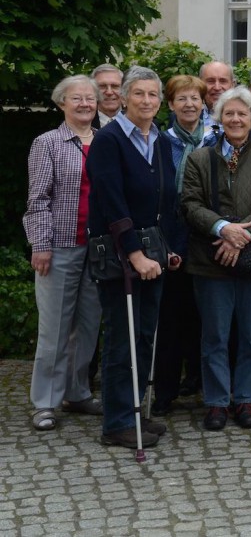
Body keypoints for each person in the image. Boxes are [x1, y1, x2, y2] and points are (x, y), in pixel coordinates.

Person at [86, 66, 182, 449]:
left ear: (161, 101)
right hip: (120, 252)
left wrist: (169, 248)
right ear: (123, 98)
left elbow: (166, 199)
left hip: (154, 250)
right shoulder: (108, 140)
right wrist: (136, 254)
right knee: (121, 340)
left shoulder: (158, 140)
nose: (146, 101)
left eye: (153, 95)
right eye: (138, 94)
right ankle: (117, 422)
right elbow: (111, 202)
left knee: (144, 336)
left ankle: (136, 409)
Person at [181, 87, 251, 430]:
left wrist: (242, 237)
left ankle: (246, 399)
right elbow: (190, 204)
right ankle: (216, 402)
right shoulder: (199, 159)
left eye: (242, 114)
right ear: (219, 119)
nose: (236, 119)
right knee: (215, 335)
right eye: (229, 114)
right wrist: (223, 228)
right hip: (210, 261)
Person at [24, 75, 103, 432]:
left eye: (90, 98)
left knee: (89, 325)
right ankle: (45, 402)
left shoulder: (105, 141)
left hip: (98, 247)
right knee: (55, 328)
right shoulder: (48, 143)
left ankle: (77, 391)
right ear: (62, 104)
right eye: (77, 98)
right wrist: (39, 245)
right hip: (60, 246)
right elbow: (37, 200)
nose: (85, 103)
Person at [151, 75, 208, 415]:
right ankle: (165, 392)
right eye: (181, 98)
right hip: (171, 243)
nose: (189, 104)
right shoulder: (159, 143)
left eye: (195, 98)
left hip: (207, 243)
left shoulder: (215, 141)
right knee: (170, 320)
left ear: (204, 104)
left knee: (206, 320)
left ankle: (203, 386)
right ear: (170, 105)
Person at [199, 61, 235, 132]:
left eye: (223, 81)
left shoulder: (248, 118)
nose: (217, 87)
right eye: (211, 81)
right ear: (200, 84)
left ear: (232, 85)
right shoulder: (183, 116)